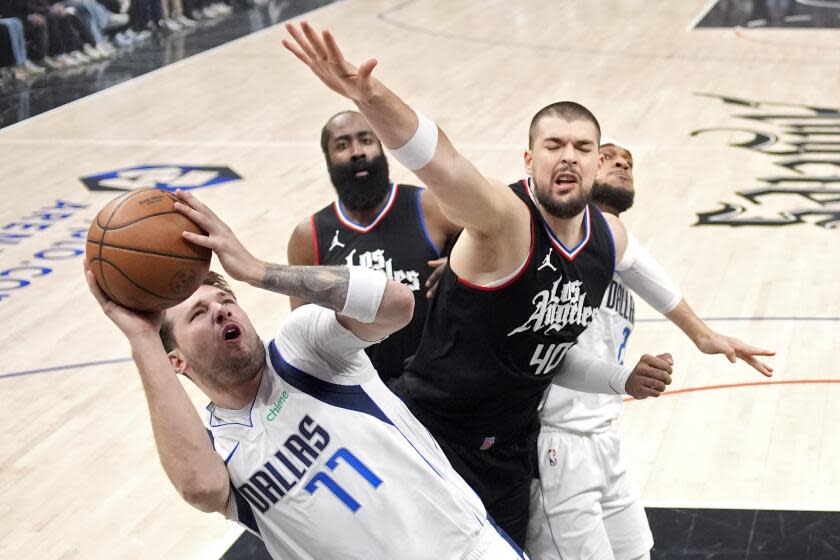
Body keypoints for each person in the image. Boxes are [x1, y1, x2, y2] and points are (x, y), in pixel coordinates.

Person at [282, 22, 675, 545]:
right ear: (528, 161)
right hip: (431, 434)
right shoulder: (501, 214)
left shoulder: (607, 241)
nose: (569, 156)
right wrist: (369, 95)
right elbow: (443, 162)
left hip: (510, 447)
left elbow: (547, 355)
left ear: (596, 161)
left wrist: (639, 368)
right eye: (554, 144)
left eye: (583, 147)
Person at [85, 189, 527, 560]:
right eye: (198, 314)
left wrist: (257, 270)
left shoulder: (303, 346)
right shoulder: (214, 448)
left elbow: (397, 305)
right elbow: (200, 489)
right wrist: (143, 338)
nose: (220, 311)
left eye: (224, 301)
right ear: (176, 360)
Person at [525, 141, 775, 560]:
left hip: (604, 436)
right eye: (607, 158)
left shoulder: (615, 244)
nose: (621, 164)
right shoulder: (556, 238)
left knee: (639, 553)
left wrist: (703, 335)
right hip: (558, 442)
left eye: (628, 162)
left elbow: (651, 275)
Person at [287, 110, 460, 384]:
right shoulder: (309, 237)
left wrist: (461, 263)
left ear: (380, 147)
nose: (357, 152)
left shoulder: (428, 206)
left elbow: (492, 242)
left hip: (440, 380)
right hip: (366, 390)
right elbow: (304, 335)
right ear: (328, 160)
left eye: (366, 140)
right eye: (342, 145)